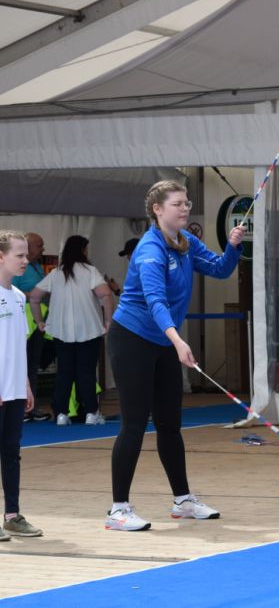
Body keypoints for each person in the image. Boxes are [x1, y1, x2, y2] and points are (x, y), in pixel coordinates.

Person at [105, 180, 243, 531]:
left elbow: (220, 269)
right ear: (158, 209)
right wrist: (178, 340)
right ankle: (118, 509)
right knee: (134, 424)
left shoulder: (186, 242)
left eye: (187, 202)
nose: (185, 208)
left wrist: (233, 246)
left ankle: (182, 501)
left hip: (165, 341)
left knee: (170, 423)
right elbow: (155, 301)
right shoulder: (150, 250)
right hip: (133, 339)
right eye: (178, 203)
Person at [29, 235, 113, 426]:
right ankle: (91, 412)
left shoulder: (57, 273)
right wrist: (108, 321)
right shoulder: (90, 271)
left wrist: (39, 321)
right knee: (87, 373)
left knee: (64, 373)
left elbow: (34, 297)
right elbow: (106, 295)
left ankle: (60, 414)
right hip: (89, 329)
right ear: (83, 250)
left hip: (60, 330)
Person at [0, 231, 43, 540]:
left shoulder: (17, 296)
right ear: (1, 257)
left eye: (27, 255)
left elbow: (17, 345)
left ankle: (12, 515)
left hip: (14, 389)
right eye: (19, 255)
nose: (26, 261)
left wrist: (25, 383)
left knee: (11, 451)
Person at [12, 233, 50, 422]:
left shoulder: (35, 266)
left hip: (36, 324)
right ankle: (19, 408)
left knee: (32, 366)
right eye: (40, 245)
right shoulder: (16, 268)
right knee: (19, 365)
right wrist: (34, 295)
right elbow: (11, 291)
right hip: (20, 323)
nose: (43, 249)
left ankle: (30, 406)